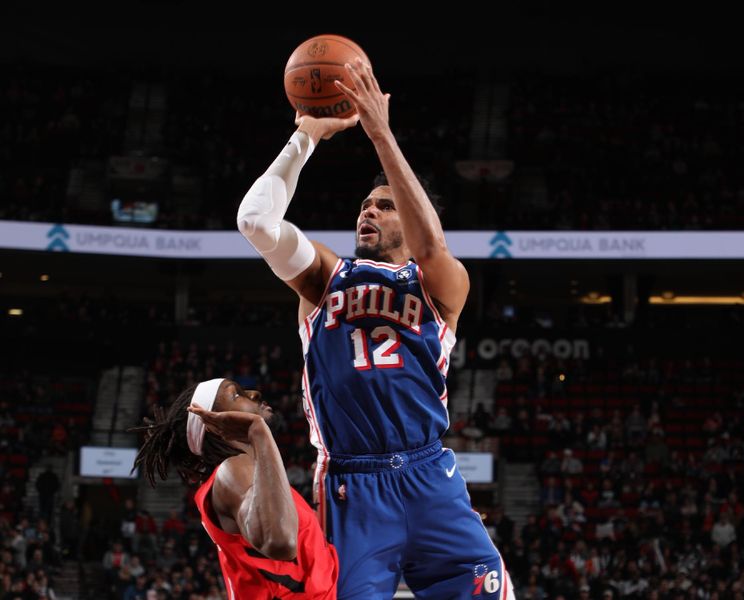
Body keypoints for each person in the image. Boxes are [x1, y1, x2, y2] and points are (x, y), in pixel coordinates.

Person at [237, 58, 513, 599]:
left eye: (385, 206)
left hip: (430, 472)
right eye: (366, 203)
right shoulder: (323, 278)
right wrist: (304, 138)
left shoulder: (441, 285)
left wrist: (380, 133)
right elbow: (255, 222)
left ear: (411, 218)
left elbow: (431, 245)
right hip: (351, 483)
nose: (369, 210)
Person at [131, 378, 338, 599]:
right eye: (236, 395)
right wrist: (258, 433)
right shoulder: (233, 470)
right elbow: (280, 541)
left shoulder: (247, 474)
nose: (254, 394)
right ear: (216, 426)